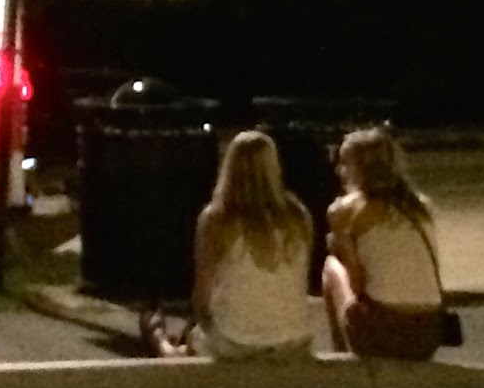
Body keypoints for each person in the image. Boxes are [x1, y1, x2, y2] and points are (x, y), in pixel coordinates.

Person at [139, 131, 315, 360]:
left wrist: (194, 326)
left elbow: (202, 297)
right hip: (293, 339)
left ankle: (159, 339)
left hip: (236, 341)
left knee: (185, 343)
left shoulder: (217, 220)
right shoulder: (299, 217)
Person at [321, 128, 445, 361]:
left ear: (359, 168)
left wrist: (342, 243)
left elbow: (357, 284)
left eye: (344, 163)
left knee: (331, 268)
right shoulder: (422, 206)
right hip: (428, 333)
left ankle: (342, 354)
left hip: (381, 335)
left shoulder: (346, 210)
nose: (338, 171)